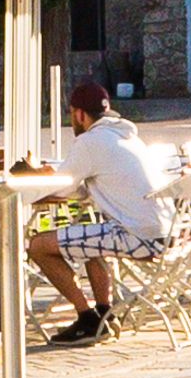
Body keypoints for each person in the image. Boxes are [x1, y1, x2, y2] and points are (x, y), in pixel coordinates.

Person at [28, 72, 175, 345]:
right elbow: (88, 186)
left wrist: (38, 177)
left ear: (81, 115)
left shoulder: (90, 141)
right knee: (87, 240)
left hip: (137, 234)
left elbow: (61, 187)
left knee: (38, 245)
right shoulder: (129, 137)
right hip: (164, 232)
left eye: (72, 114)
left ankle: (86, 318)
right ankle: (105, 314)